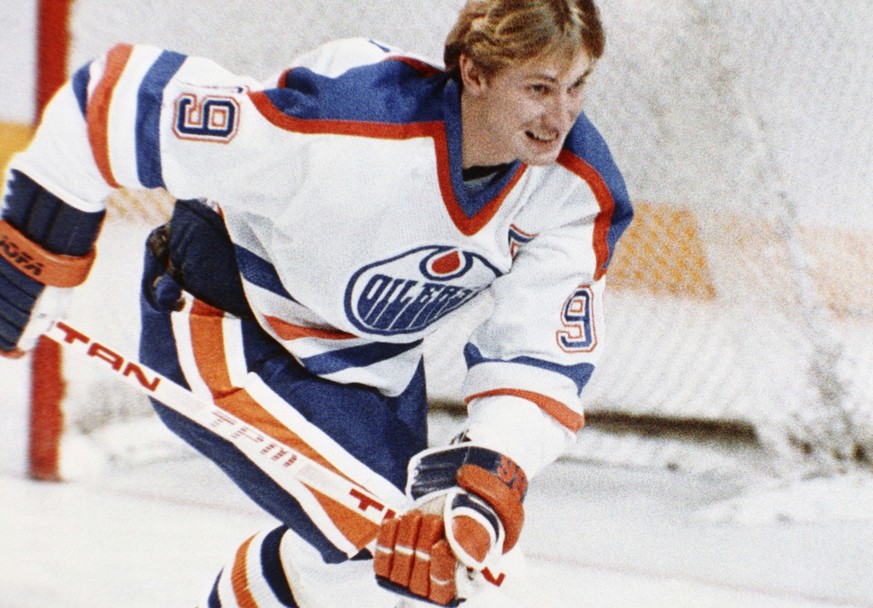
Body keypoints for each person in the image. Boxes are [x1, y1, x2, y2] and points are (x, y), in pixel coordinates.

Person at [0, 0, 632, 605]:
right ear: (475, 71)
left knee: (434, 567)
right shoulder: (347, 121)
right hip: (223, 322)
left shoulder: (575, 188)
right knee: (381, 561)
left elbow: (539, 354)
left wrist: (489, 474)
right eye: (539, 88)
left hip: (367, 368)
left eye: (577, 86)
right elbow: (111, 99)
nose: (561, 116)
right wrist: (31, 256)